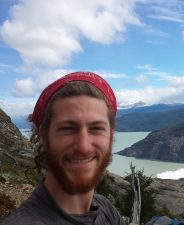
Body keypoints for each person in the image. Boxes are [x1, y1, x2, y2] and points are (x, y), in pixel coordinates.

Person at [2, 72, 125, 225]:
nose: (83, 146)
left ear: (111, 136)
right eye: (67, 128)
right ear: (44, 137)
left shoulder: (106, 209)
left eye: (96, 128)